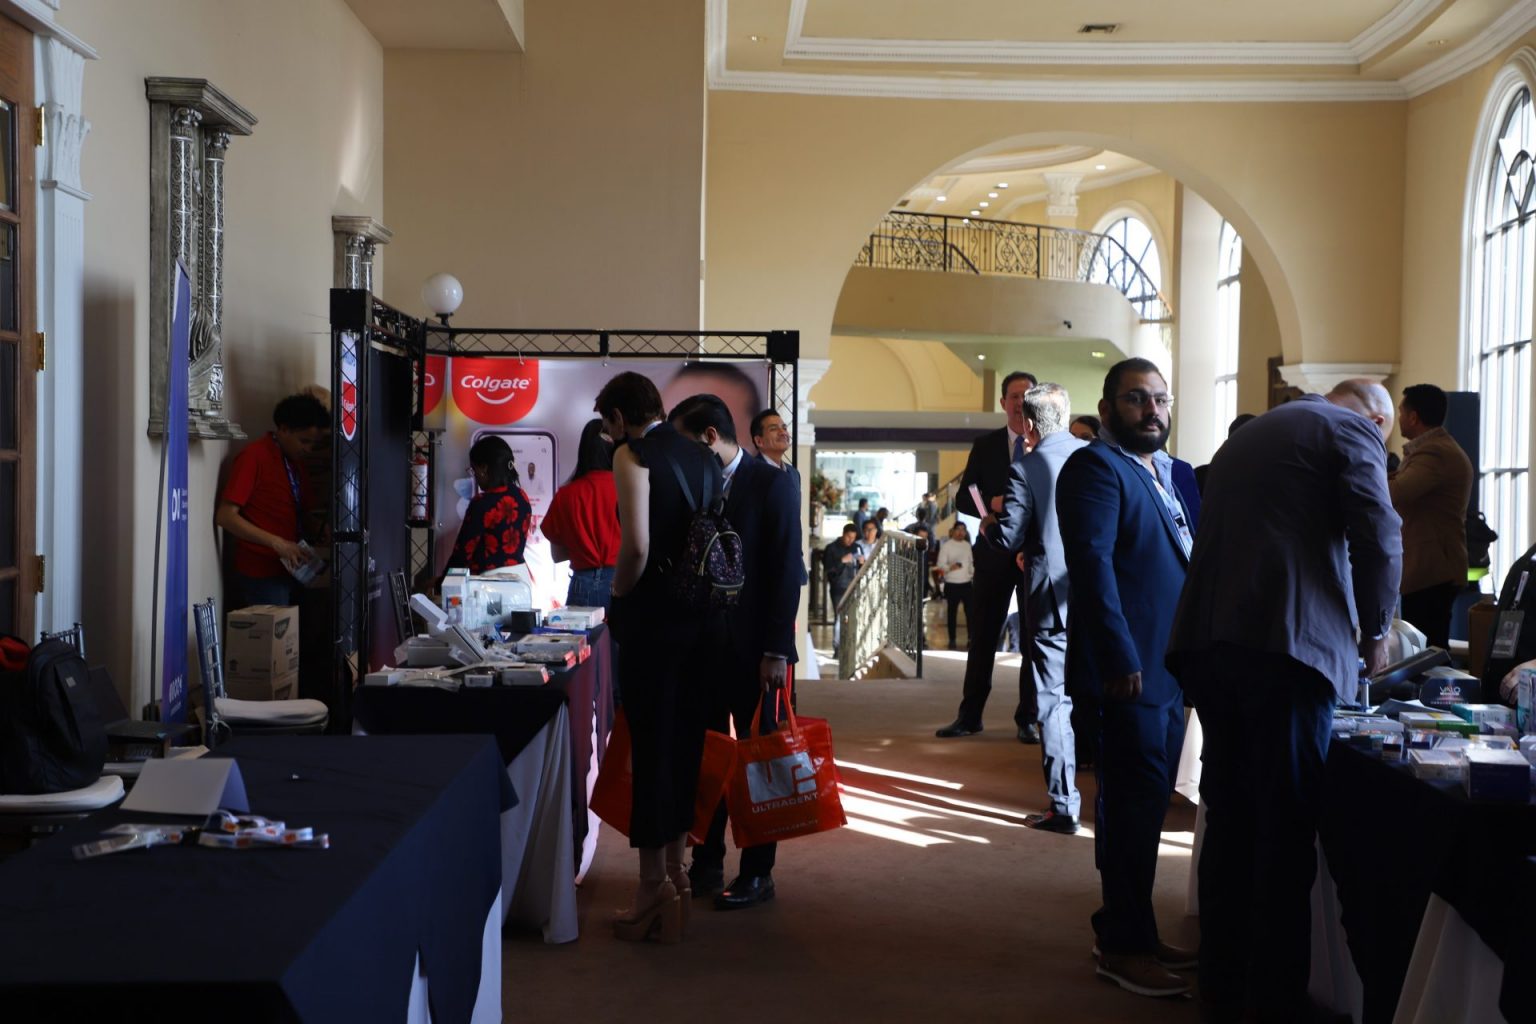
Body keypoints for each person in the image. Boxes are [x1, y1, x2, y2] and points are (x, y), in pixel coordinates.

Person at [1167, 380, 1401, 1022]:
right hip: (1285, 648)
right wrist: (1377, 631)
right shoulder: (1349, 431)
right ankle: (1272, 1001)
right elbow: (1379, 534)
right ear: (1376, 420)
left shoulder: (1253, 434)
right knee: (1284, 829)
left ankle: (1221, 982)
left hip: (1212, 642)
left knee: (1231, 816)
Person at [1056, 357, 1195, 998]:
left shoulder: (1166, 472)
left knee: (1146, 807)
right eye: (1137, 398)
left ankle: (1130, 927)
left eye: (1161, 399)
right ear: (1108, 407)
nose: (1152, 410)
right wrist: (1117, 655)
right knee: (1133, 810)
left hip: (1168, 668)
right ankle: (1123, 948)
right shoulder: (1096, 467)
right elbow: (1092, 566)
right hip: (1129, 671)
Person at [596, 372, 719, 943]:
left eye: (608, 425)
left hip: (654, 622)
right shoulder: (703, 456)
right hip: (704, 622)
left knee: (650, 751)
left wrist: (617, 594)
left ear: (620, 418)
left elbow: (637, 546)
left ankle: (651, 889)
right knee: (685, 747)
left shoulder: (632, 454)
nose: (608, 435)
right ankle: (678, 874)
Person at [671, 394, 802, 911]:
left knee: (759, 760)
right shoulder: (697, 482)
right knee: (707, 756)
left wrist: (777, 650)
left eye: (686, 442)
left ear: (709, 437)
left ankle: (757, 872)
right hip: (704, 646)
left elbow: (786, 570)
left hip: (756, 649)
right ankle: (706, 861)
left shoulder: (772, 482)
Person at [998, 383, 1087, 834]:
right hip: (1098, 595)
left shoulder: (1026, 467)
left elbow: (1009, 536)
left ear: (1028, 424)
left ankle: (1064, 805)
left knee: (1053, 701)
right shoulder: (1097, 457)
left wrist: (990, 526)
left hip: (1051, 598)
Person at [937, 369, 1040, 742]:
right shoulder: (986, 445)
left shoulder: (1047, 444)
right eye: (1014, 396)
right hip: (994, 550)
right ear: (1003, 403)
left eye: (1027, 397)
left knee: (1032, 638)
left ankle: (1028, 718)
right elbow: (965, 496)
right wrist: (990, 505)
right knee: (982, 636)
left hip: (1034, 553)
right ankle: (970, 715)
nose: (1020, 403)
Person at [216, 393, 330, 610]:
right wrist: (277, 543)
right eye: (304, 441)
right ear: (283, 429)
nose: (308, 449)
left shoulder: (296, 464)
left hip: (294, 569)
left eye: (313, 445)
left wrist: (317, 527)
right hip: (261, 574)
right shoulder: (254, 457)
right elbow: (225, 516)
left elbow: (300, 512)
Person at [1390, 383, 1473, 649]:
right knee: (1422, 645)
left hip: (1432, 568)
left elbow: (1398, 492)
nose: (1399, 418)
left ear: (1413, 417)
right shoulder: (1433, 449)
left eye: (1401, 412)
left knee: (1427, 650)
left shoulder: (1435, 453)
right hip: (1431, 566)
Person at [541, 419, 619, 612]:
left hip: (582, 584)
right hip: (623, 582)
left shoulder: (566, 494)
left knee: (584, 633)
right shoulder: (627, 488)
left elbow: (557, 555)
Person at [444, 436, 534, 574]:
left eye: (474, 470)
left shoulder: (482, 503)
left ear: (484, 468)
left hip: (486, 581)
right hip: (520, 578)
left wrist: (441, 582)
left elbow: (462, 554)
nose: (475, 476)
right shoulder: (522, 497)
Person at [937, 523, 974, 649]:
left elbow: (971, 563)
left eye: (963, 530)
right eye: (958, 529)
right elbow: (940, 565)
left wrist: (973, 572)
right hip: (952, 584)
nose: (960, 532)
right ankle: (952, 640)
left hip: (967, 583)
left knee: (970, 613)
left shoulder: (967, 546)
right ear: (952, 531)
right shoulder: (947, 546)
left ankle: (970, 639)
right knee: (952, 613)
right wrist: (950, 567)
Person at [822, 523, 861, 643]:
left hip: (854, 588)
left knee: (854, 618)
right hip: (838, 588)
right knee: (839, 618)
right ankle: (837, 646)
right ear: (843, 534)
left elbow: (861, 569)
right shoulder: (831, 548)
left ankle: (851, 644)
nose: (851, 540)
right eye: (848, 537)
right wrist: (842, 561)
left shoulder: (856, 547)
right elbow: (828, 569)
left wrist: (862, 562)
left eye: (853, 538)